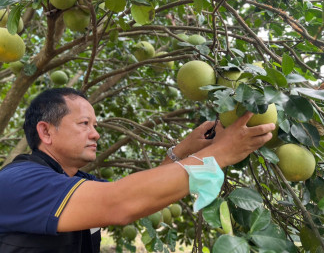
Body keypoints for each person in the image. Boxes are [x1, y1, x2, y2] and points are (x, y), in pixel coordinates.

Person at [0, 87, 275, 252]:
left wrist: (186, 150)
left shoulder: (73, 181)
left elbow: (139, 199)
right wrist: (221, 154)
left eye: (95, 126)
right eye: (85, 124)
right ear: (45, 132)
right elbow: (120, 204)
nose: (95, 134)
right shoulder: (20, 181)